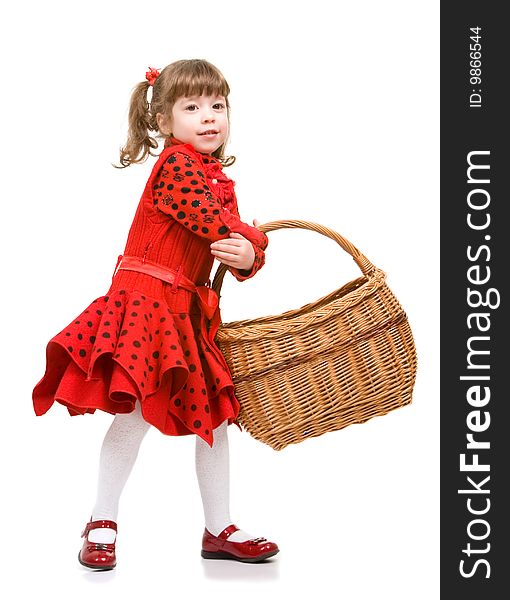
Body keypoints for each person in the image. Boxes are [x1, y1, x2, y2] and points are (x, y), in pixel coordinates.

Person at [32, 59, 279, 570]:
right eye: (192, 107)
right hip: (146, 304)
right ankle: (101, 518)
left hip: (182, 312)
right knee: (135, 415)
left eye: (218, 105)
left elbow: (222, 242)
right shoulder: (176, 167)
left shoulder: (218, 180)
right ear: (165, 122)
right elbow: (211, 223)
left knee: (214, 420)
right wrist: (255, 244)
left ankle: (219, 527)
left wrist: (246, 258)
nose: (209, 117)